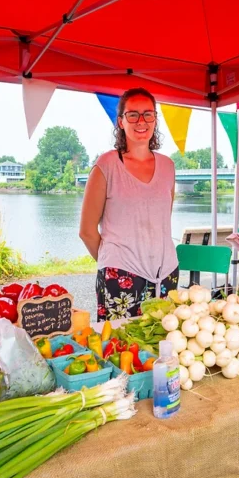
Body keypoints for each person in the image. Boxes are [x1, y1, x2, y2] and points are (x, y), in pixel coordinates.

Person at [79, 88, 179, 321]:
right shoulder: (106, 165)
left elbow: (163, 221)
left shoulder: (168, 167)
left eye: (148, 114)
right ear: (121, 122)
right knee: (118, 348)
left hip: (166, 274)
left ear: (155, 119)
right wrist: (113, 262)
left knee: (160, 345)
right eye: (132, 114)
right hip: (120, 275)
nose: (141, 121)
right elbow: (86, 231)